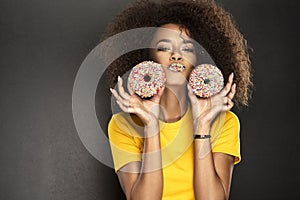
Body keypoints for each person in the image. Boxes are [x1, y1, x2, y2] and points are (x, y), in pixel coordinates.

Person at [103, 0, 253, 199]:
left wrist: (202, 127)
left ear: (198, 60)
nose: (176, 56)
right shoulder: (123, 125)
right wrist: (151, 126)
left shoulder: (224, 122)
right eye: (164, 48)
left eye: (187, 48)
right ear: (147, 58)